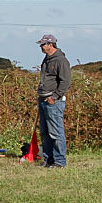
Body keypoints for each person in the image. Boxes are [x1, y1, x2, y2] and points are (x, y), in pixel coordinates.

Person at [36, 34, 71, 168]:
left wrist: (54, 97)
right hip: (43, 99)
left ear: (50, 45)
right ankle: (48, 160)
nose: (41, 47)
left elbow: (65, 81)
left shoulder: (61, 60)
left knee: (56, 132)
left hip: (53, 101)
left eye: (43, 44)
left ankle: (59, 162)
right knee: (45, 133)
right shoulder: (47, 58)